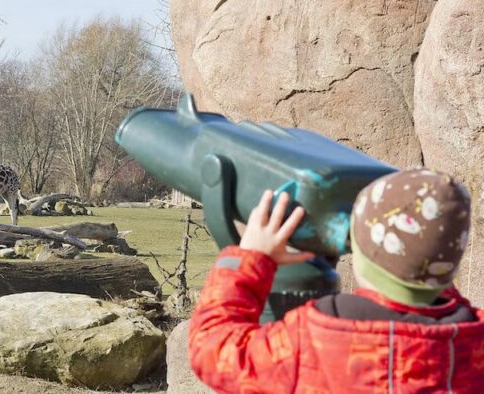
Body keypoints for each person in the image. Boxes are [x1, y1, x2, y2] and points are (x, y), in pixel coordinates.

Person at [188, 168, 484, 393]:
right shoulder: (474, 343)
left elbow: (213, 349)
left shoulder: (313, 340)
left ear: (358, 246)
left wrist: (249, 258)